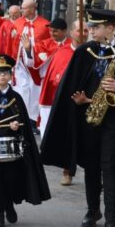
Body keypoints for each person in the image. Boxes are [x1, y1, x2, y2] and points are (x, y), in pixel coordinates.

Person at [40, 9, 115, 227]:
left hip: (114, 121)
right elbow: (71, 84)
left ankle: (112, 219)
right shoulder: (84, 52)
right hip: (88, 118)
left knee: (110, 167)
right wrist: (80, 99)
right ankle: (92, 209)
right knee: (91, 167)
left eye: (96, 27)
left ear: (110, 27)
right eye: (90, 27)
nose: (91, 31)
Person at [0, 54, 51, 227]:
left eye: (6, 72)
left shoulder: (16, 98)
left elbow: (24, 123)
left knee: (11, 178)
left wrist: (17, 126)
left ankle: (9, 205)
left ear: (11, 75)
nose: (3, 75)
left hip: (13, 148)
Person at [38, 19, 85, 186]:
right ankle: (67, 170)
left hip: (88, 101)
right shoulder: (62, 53)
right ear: (71, 33)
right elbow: (54, 77)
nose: (83, 33)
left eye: (86, 30)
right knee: (69, 136)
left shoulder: (93, 52)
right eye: (79, 30)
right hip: (69, 101)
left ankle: (95, 171)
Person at [11, 0, 51, 127]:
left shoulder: (45, 25)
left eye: (24, 8)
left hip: (37, 65)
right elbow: (11, 42)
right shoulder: (17, 23)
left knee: (35, 91)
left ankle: (34, 120)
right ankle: (22, 118)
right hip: (20, 64)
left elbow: (48, 45)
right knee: (22, 90)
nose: (21, 11)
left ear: (33, 9)